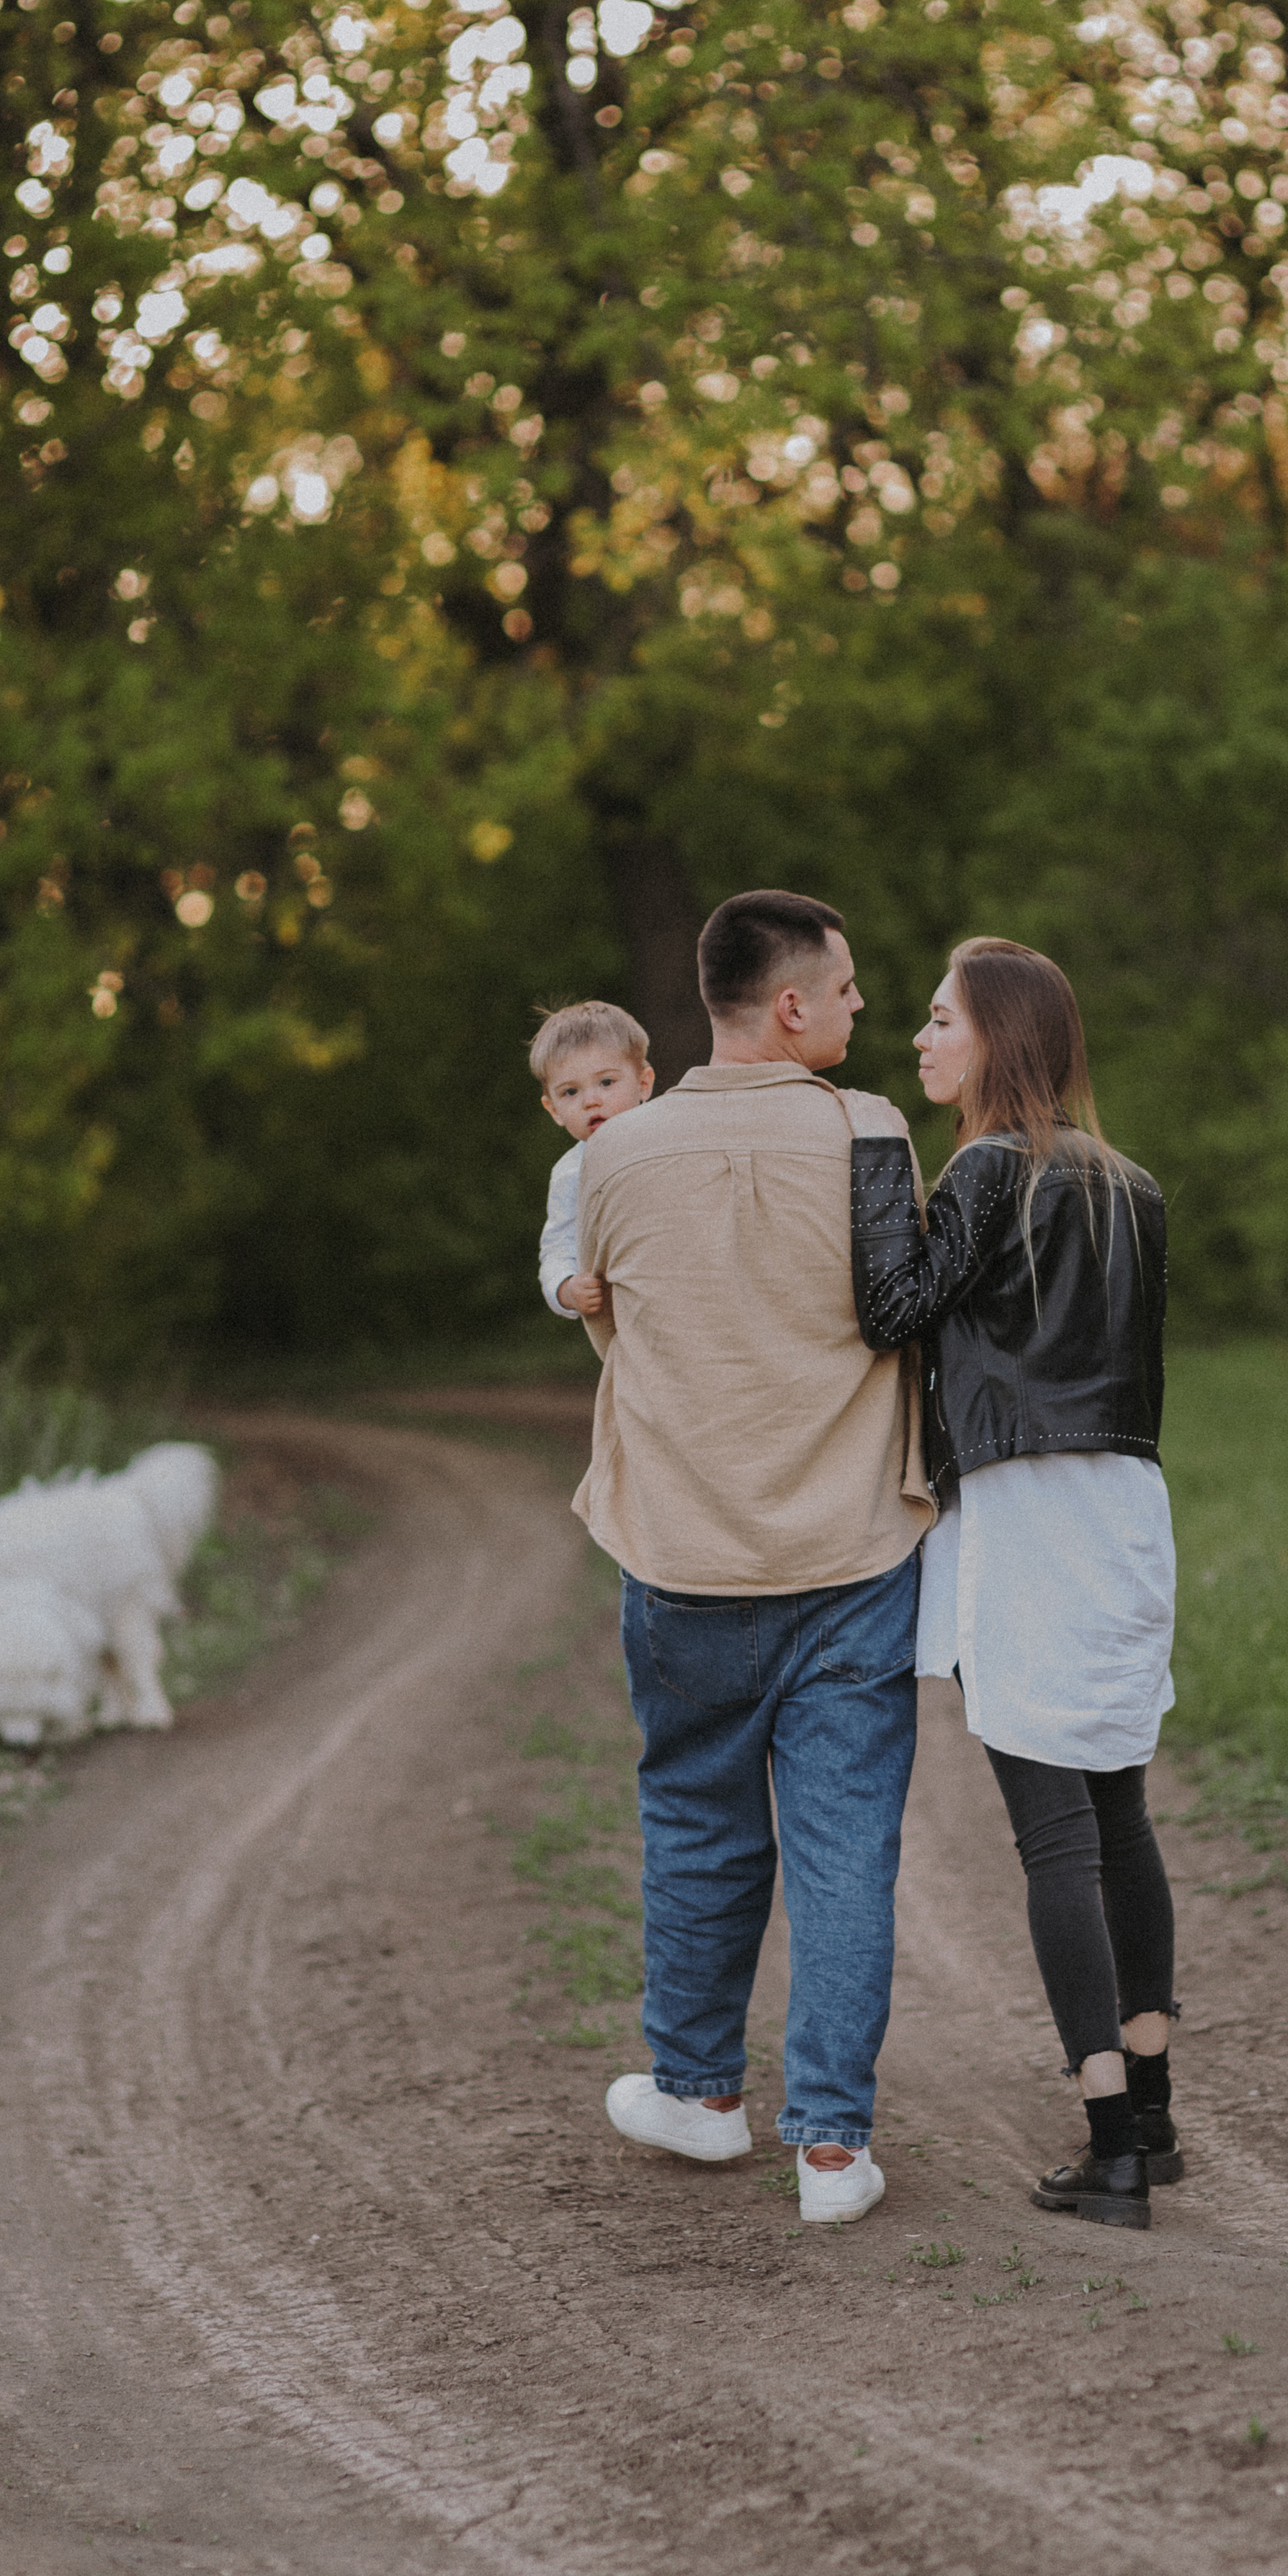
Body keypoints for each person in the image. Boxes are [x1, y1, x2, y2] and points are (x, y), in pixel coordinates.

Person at [572, 890, 931, 2227]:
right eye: (843, 988)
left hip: (683, 1551)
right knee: (846, 1845)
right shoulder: (869, 1128)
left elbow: (619, 1330)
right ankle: (832, 2148)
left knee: (697, 1819)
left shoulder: (616, 1152)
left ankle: (702, 2094)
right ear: (789, 1005)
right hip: (851, 1547)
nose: (857, 1008)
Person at [850, 936, 1180, 2229]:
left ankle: (1107, 2149)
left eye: (940, 1020)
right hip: (1125, 1502)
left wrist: (881, 1161)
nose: (922, 1040)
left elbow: (893, 1307)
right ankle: (1149, 2114)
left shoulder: (987, 1164)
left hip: (1026, 1505)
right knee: (1120, 1813)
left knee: (1052, 1832)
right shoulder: (1132, 1184)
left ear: (997, 1035)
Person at [530, 1001, 656, 1320]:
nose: (591, 1100)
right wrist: (567, 1289)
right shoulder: (571, 1173)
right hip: (627, 1312)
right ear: (554, 1109)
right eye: (571, 1092)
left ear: (643, 1083)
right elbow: (558, 1247)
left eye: (606, 1082)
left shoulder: (670, 1142)